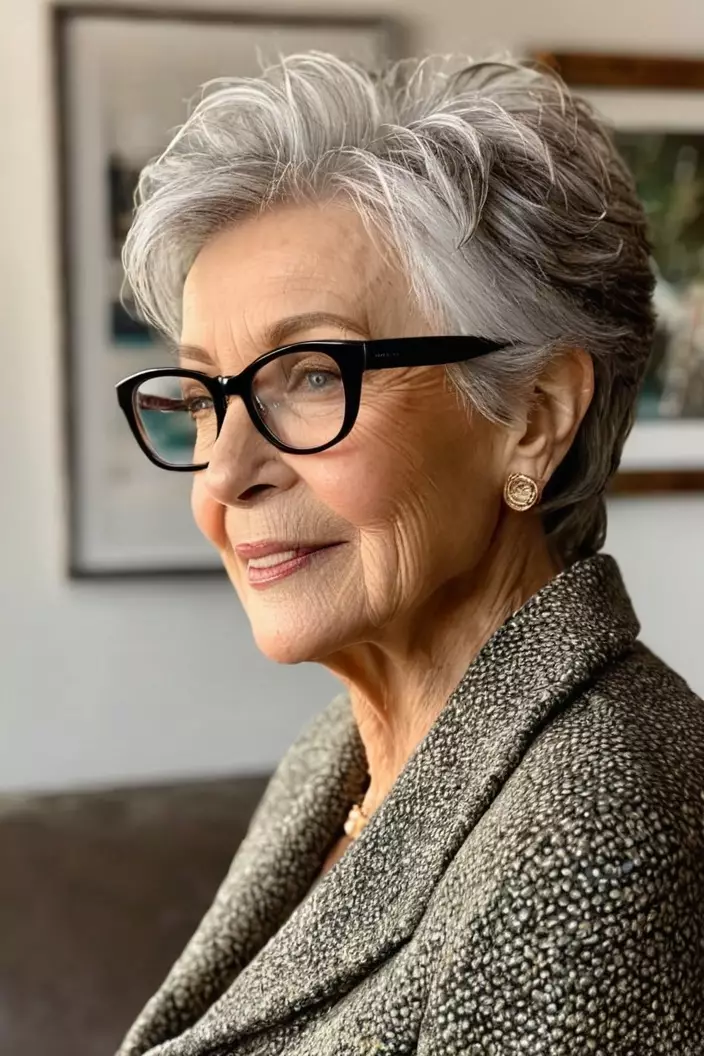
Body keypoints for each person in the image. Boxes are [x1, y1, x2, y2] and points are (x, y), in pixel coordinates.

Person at [114, 54, 704, 1055]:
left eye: (308, 374)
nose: (222, 473)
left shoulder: (593, 830)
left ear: (530, 416)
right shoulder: (334, 761)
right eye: (206, 393)